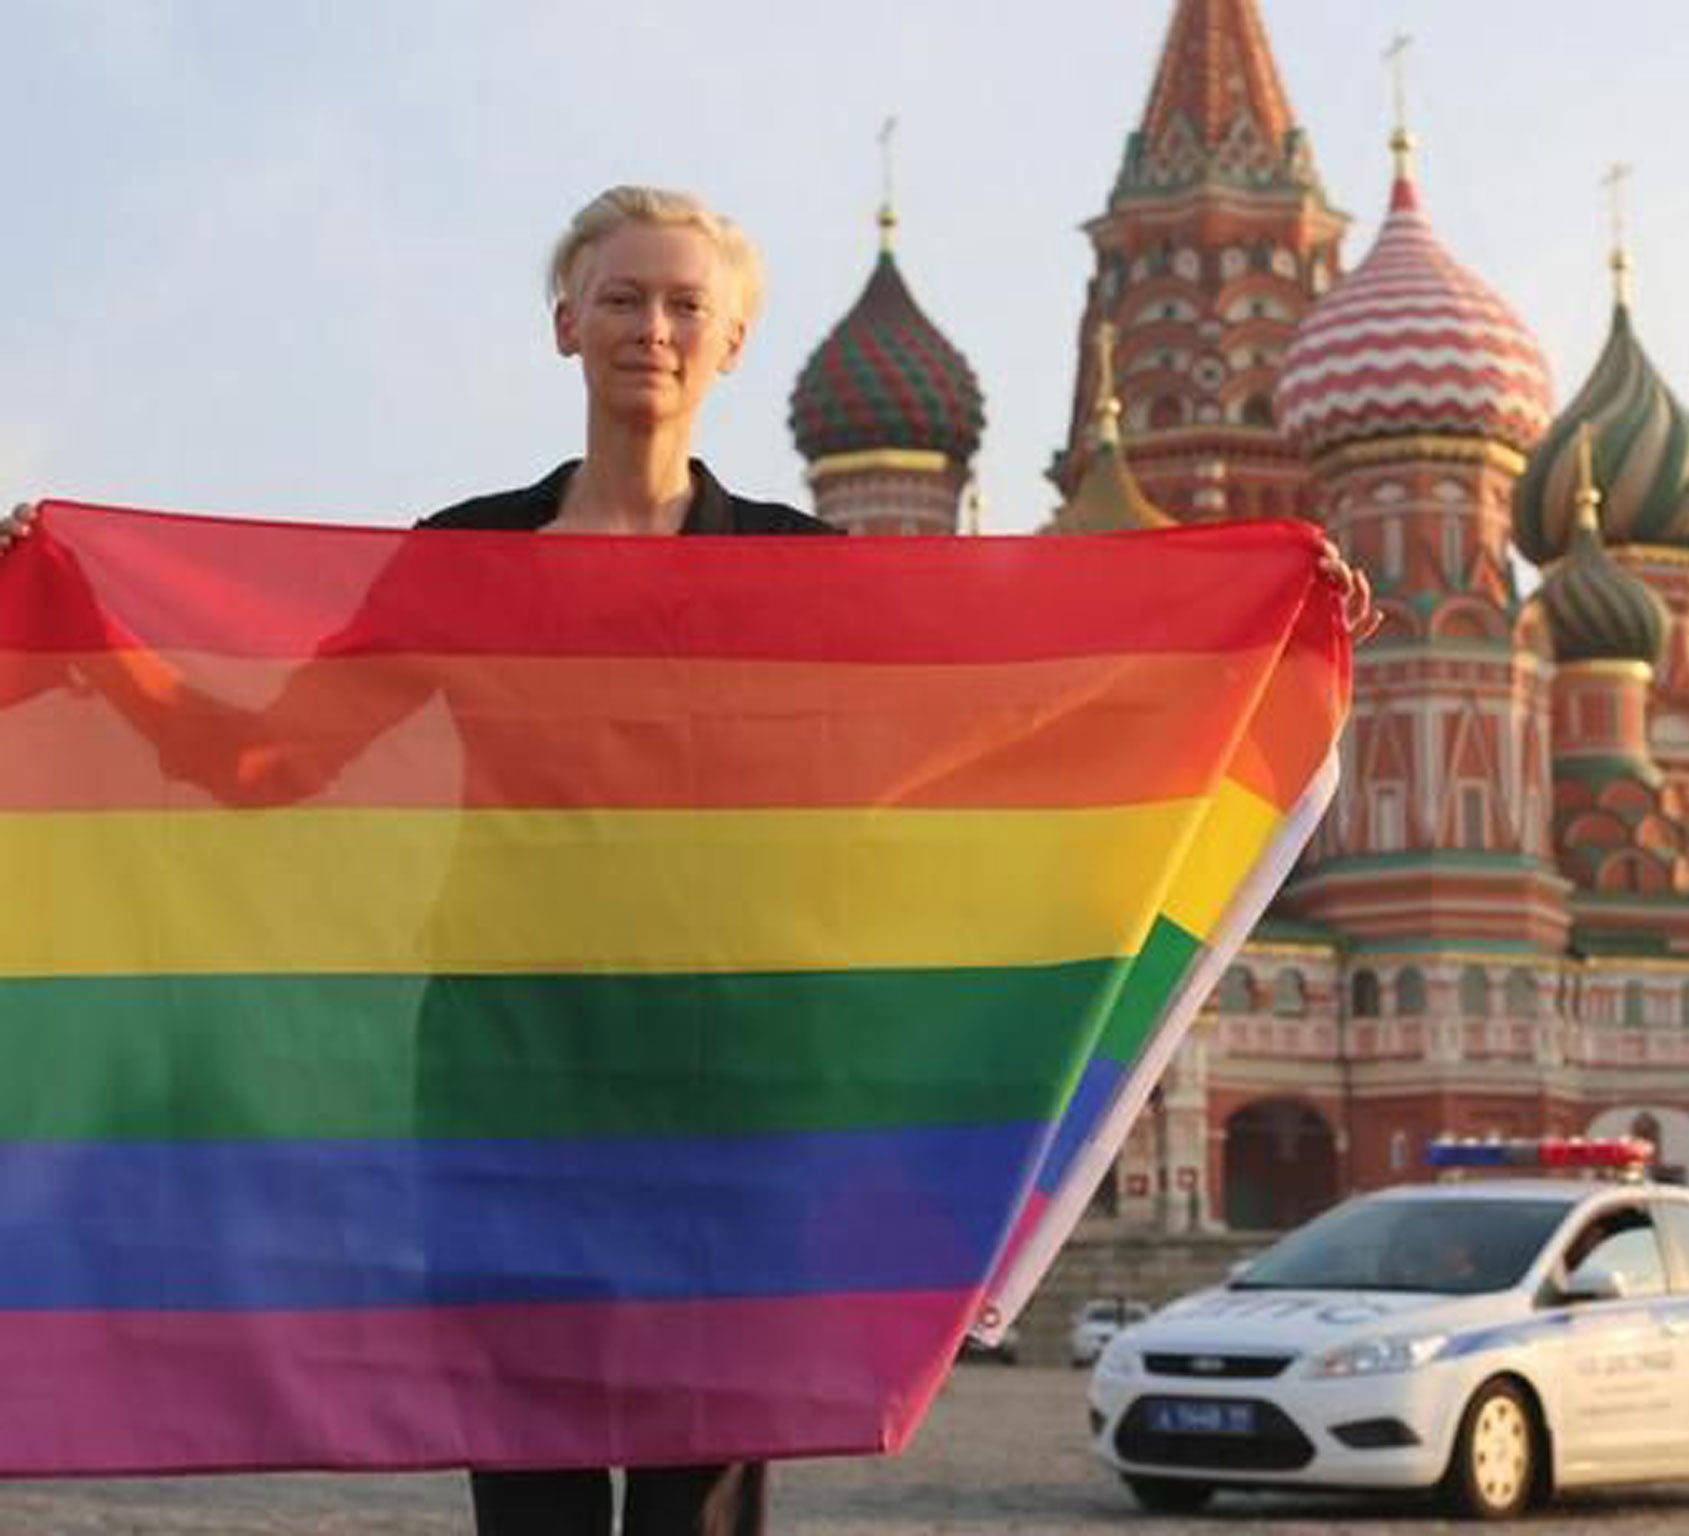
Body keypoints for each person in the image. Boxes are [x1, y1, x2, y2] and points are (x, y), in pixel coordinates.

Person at [2, 184, 1375, 1535]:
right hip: (502, 1064)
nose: (649, 327)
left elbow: (1008, 710)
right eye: (620, 297)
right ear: (565, 325)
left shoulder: (800, 570)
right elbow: (270, 765)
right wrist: (81, 631)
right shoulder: (465, 555)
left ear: (727, 345)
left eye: (683, 305)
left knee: (700, 1482)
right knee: (523, 1455)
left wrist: (1262, 613)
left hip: (727, 1073)